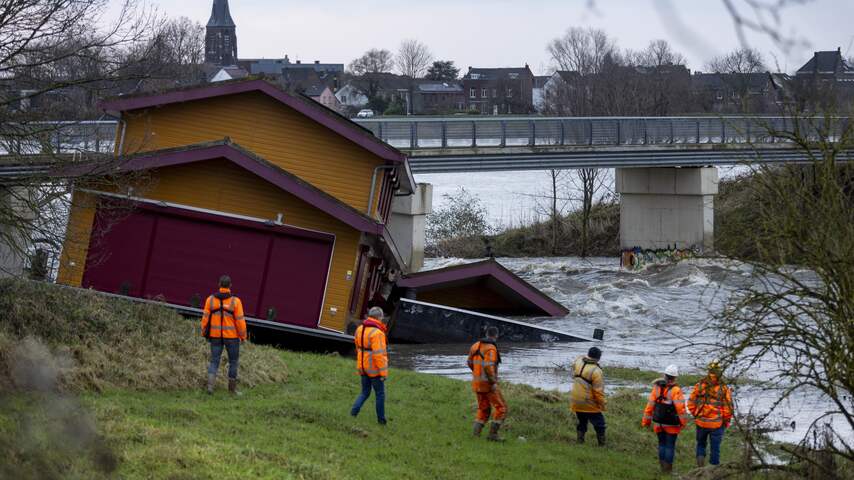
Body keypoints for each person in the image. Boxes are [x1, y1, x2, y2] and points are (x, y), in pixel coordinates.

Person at [201, 275, 247, 395]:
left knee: (214, 361)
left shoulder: (210, 300)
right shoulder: (236, 301)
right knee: (233, 362)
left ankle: (210, 387)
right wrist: (243, 336)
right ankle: (232, 390)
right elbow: (240, 321)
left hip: (215, 336)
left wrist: (203, 333)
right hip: (232, 338)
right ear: (230, 285)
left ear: (219, 284)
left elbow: (205, 319)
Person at [642, 365, 689, 474]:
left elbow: (650, 406)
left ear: (664, 375)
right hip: (672, 425)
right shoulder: (676, 390)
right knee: (670, 446)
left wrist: (646, 422)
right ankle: (668, 471)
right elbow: (680, 409)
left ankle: (663, 468)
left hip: (658, 423)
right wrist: (683, 423)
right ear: (675, 378)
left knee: (661, 445)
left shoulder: (656, 388)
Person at [688, 360, 733, 467]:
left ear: (709, 371)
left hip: (701, 423)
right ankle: (713, 473)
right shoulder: (723, 388)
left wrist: (696, 414)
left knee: (701, 445)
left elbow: (690, 403)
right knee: (715, 449)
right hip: (717, 424)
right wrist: (726, 421)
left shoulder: (699, 385)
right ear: (719, 372)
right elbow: (728, 408)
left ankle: (700, 470)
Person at [467, 326, 507, 441]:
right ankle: (493, 435)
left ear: (486, 333)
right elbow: (488, 366)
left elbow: (469, 362)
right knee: (501, 408)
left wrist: (477, 374)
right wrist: (493, 382)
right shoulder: (491, 349)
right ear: (496, 335)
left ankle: (476, 435)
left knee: (483, 409)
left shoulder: (475, 345)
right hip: (488, 385)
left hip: (477, 383)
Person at [350, 307, 389, 424]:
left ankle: (353, 413)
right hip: (374, 369)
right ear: (378, 317)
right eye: (382, 317)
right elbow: (379, 355)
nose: (382, 319)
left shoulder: (360, 329)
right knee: (380, 394)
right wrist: (383, 373)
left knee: (365, 392)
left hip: (362, 366)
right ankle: (381, 420)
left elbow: (357, 347)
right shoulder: (378, 333)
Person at [570, 346, 606, 445]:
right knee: (600, 424)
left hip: (575, 401)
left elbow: (577, 360)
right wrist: (602, 404)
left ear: (588, 354)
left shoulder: (578, 361)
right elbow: (598, 392)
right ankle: (601, 444)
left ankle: (580, 441)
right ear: (599, 358)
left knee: (582, 421)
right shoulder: (596, 371)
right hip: (588, 403)